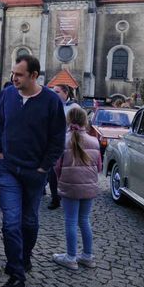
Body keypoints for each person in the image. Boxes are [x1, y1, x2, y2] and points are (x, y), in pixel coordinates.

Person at [0, 54, 66, 287]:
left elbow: (57, 139)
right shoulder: (8, 94)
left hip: (35, 174)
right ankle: (17, 277)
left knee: (29, 222)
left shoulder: (51, 101)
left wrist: (44, 168)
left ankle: (24, 257)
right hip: (8, 169)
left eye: (20, 74)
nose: (14, 78)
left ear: (34, 75)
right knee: (11, 223)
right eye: (13, 73)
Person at [52, 107, 101, 270]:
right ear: (84, 121)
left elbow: (57, 166)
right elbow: (99, 167)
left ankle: (71, 257)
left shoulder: (63, 140)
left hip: (70, 184)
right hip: (89, 185)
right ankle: (88, 256)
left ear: (68, 120)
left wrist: (60, 179)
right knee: (84, 220)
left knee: (71, 221)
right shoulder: (94, 141)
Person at [48, 84, 82, 209]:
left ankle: (67, 196)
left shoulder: (74, 108)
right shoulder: (51, 105)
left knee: (67, 173)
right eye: (53, 91)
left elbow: (80, 126)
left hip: (69, 145)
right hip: (54, 144)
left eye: (57, 92)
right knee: (52, 172)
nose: (54, 94)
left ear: (66, 93)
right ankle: (54, 198)